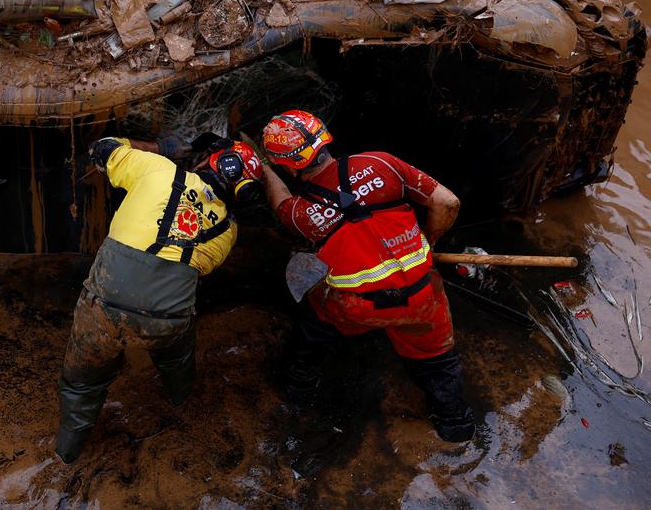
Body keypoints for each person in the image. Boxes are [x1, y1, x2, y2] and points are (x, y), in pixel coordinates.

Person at [255, 109, 475, 442]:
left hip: (359, 309)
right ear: (325, 139)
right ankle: (455, 425)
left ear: (289, 165)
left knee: (313, 317)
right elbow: (447, 202)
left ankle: (299, 384)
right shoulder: (382, 163)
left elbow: (280, 201)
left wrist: (264, 169)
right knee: (438, 363)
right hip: (422, 295)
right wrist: (428, 242)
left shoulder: (300, 215)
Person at [55, 136, 258, 462]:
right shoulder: (228, 230)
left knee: (83, 383)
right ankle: (181, 400)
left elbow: (101, 148)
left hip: (105, 302)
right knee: (177, 352)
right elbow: (201, 267)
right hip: (166, 318)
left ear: (208, 162)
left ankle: (66, 454)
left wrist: (160, 148)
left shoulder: (160, 170)